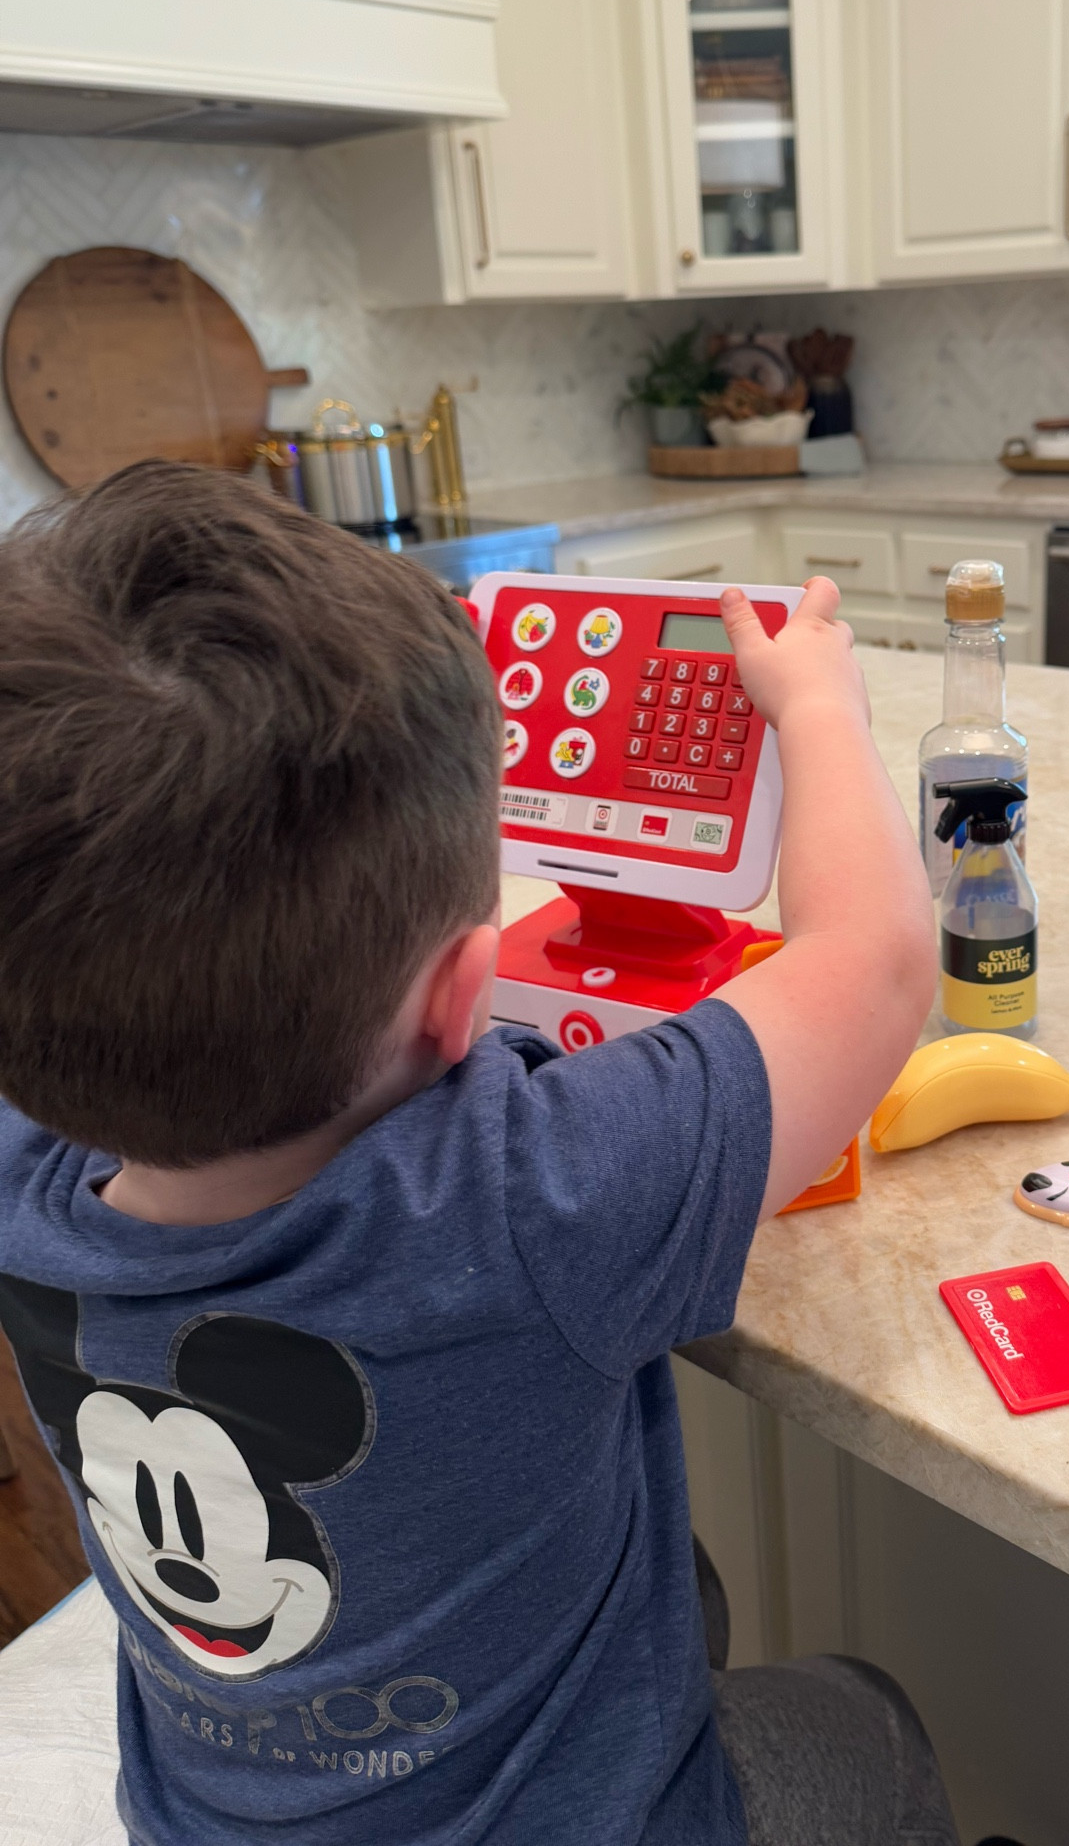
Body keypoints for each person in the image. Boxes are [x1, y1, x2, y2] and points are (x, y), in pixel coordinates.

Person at [0, 463, 959, 1845]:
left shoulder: (25, 1159)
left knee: (675, 1582)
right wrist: (818, 703)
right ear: (468, 998)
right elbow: (871, 966)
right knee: (864, 1714)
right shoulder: (531, 1198)